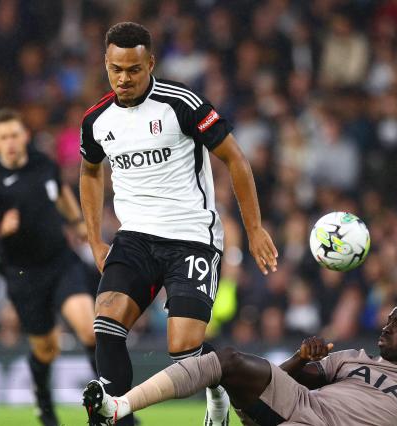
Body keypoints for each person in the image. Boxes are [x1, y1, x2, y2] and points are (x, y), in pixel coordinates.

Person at [79, 22, 277, 426]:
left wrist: (254, 228)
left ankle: (218, 390)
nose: (124, 78)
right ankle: (115, 417)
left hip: (191, 237)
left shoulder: (182, 103)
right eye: (116, 69)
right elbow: (89, 172)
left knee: (184, 349)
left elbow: (235, 159)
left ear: (150, 63)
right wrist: (96, 240)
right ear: (106, 64)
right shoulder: (96, 120)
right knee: (107, 320)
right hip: (134, 236)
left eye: (134, 69)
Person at [84, 296, 397, 426]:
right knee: (228, 360)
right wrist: (299, 357)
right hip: (302, 403)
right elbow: (296, 379)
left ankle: (216, 411)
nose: (387, 328)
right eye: (388, 320)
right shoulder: (354, 358)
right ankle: (119, 406)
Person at [0, 109, 97, 426]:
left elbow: (60, 192)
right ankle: (44, 404)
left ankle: (114, 408)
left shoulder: (43, 164)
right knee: (47, 349)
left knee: (90, 330)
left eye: (15, 134)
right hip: (23, 276)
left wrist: (76, 222)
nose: (10, 142)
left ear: (25, 136)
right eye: (3, 137)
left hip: (60, 261)